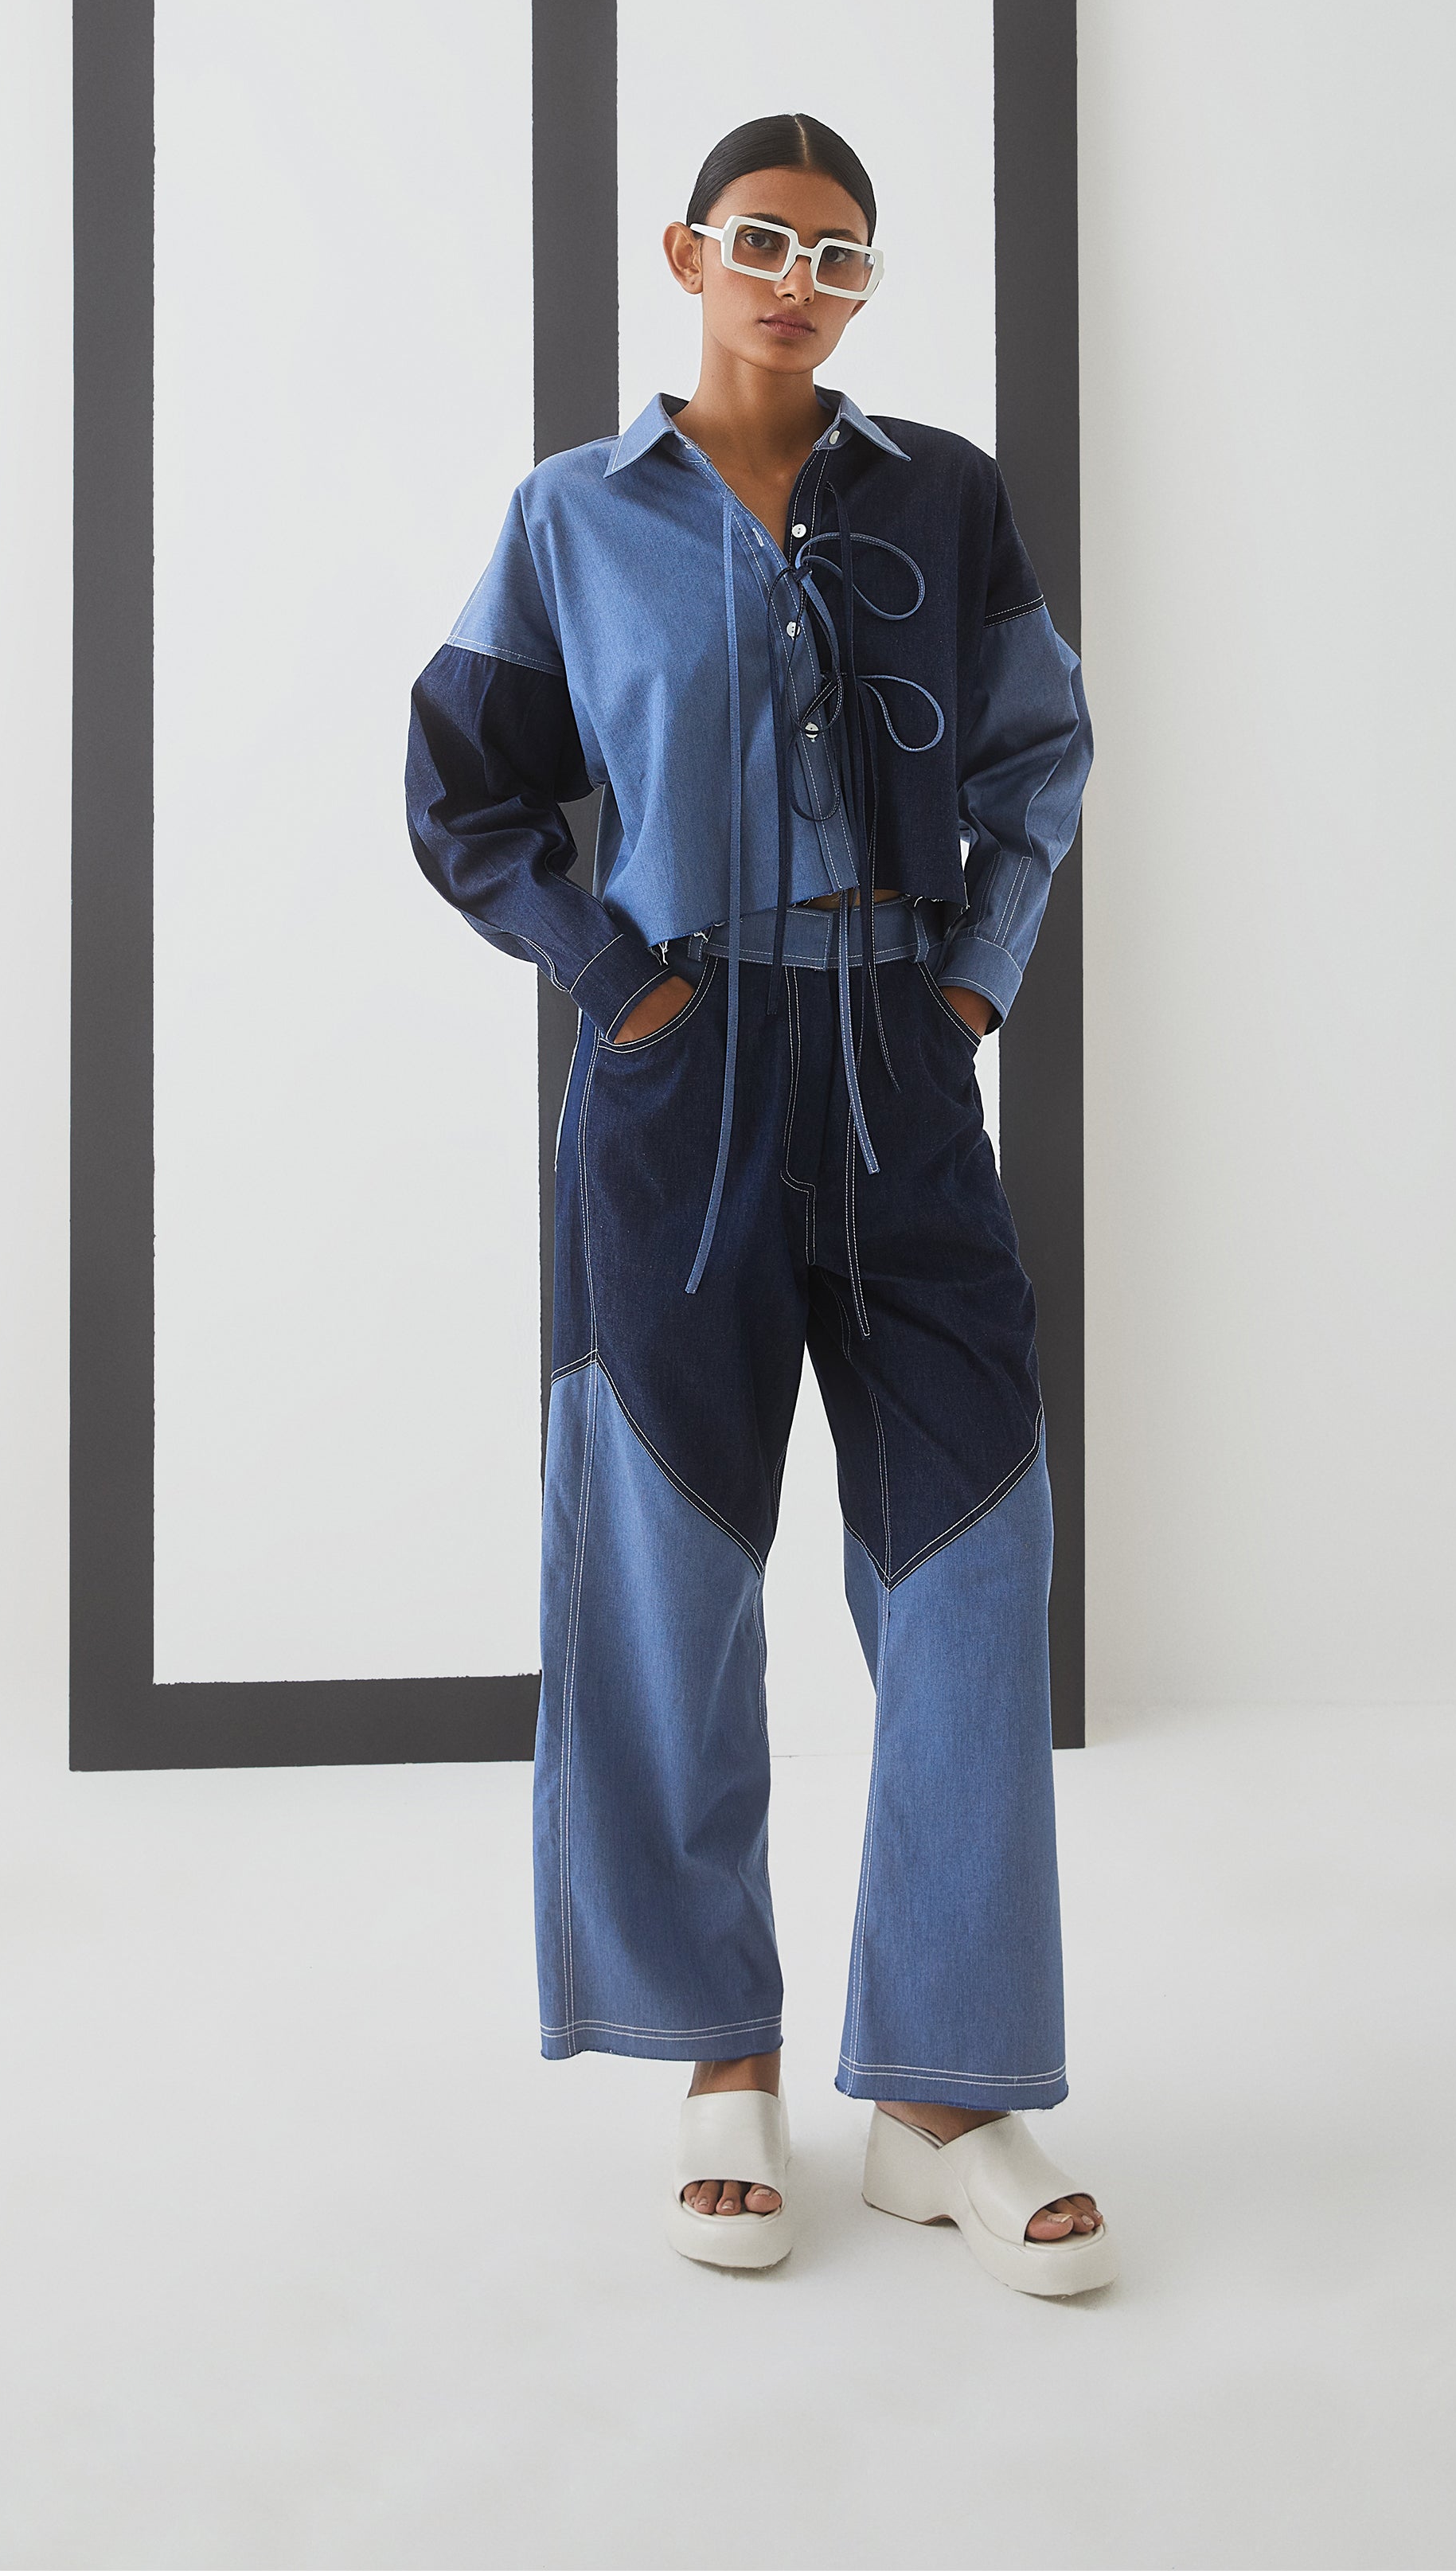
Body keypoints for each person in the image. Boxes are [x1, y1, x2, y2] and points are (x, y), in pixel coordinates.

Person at [404, 112, 1113, 2297]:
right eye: (767, 242)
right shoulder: (575, 515)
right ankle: (722, 2052)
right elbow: (464, 787)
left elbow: (1039, 751)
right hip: (681, 1085)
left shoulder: (944, 496)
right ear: (688, 252)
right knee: (665, 1565)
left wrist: (970, 983)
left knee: (975, 1558)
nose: (801, 282)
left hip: (899, 1061)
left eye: (842, 256)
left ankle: (945, 2097)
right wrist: (619, 984)